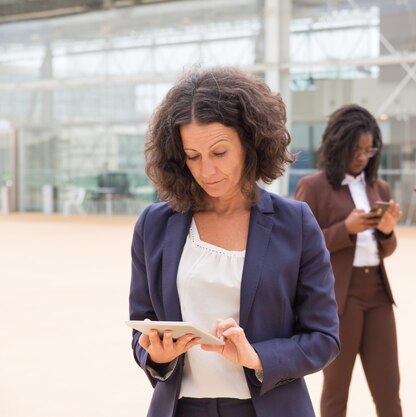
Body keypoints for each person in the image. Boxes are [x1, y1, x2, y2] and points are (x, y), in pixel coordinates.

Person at [129, 67, 340, 417]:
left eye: (220, 152)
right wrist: (155, 354)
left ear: (250, 142)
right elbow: (142, 324)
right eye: (192, 156)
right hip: (181, 410)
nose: (206, 170)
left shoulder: (296, 223)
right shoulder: (154, 225)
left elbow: (324, 338)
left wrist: (256, 356)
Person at [294, 104, 403, 417]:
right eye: (356, 149)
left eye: (369, 150)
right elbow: (300, 250)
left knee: (389, 389)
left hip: (379, 295)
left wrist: (385, 233)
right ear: (337, 145)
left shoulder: (378, 187)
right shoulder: (313, 187)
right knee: (336, 392)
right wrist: (347, 229)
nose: (363, 157)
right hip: (340, 299)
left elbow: (388, 248)